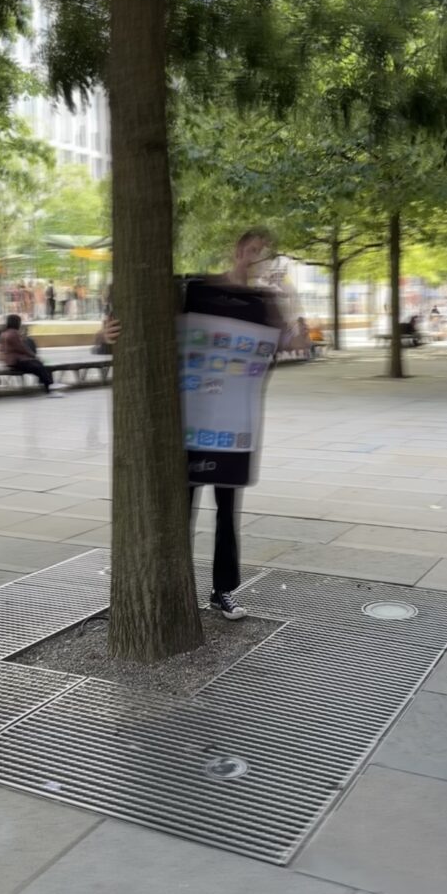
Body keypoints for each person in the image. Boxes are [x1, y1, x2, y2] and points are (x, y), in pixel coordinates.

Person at [188, 228, 280, 621]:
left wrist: (285, 304)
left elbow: (286, 345)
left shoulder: (262, 303)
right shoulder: (197, 290)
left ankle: (222, 590)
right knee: (181, 510)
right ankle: (177, 591)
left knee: (227, 512)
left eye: (264, 254)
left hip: (232, 428)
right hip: (190, 423)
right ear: (239, 249)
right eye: (253, 250)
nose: (256, 258)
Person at [0, 314, 62, 395]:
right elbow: (22, 348)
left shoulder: (4, 333)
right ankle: (49, 386)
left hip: (10, 361)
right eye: (19, 322)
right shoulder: (13, 333)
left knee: (38, 365)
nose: (20, 324)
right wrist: (33, 356)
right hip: (16, 361)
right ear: (16, 322)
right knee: (39, 366)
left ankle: (48, 385)